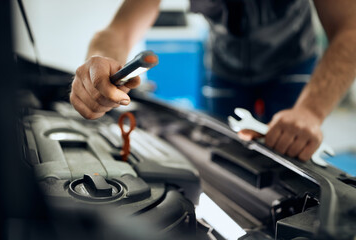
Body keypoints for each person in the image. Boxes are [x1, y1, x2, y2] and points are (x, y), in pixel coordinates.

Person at [70, 0, 356, 162]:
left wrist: (310, 111)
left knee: (291, 156)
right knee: (222, 157)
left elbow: (350, 28)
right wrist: (99, 62)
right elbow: (119, 30)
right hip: (224, 65)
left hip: (293, 62)